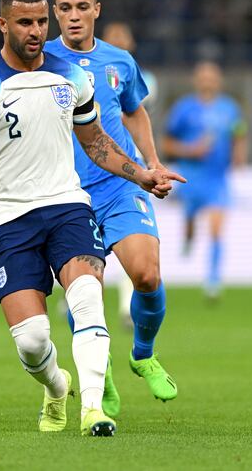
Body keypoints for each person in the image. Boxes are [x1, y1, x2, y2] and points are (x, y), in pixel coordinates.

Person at [0, 0, 182, 436]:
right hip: (9, 218)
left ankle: (95, 409)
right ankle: (56, 387)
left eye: (40, 22)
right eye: (25, 22)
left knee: (89, 296)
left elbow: (96, 144)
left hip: (68, 205)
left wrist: (143, 173)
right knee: (32, 342)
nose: (36, 31)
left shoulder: (73, 76)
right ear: (2, 24)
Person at [45, 0, 180, 416]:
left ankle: (142, 355)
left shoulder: (119, 61)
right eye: (64, 8)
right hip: (65, 194)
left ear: (97, 10)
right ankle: (97, 375)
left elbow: (134, 111)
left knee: (147, 275)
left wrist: (153, 162)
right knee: (85, 293)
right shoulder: (38, 61)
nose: (73, 16)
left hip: (120, 185)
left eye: (82, 7)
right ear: (53, 13)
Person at [162, 61, 248, 301]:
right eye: (203, 76)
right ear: (196, 80)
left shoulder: (229, 108)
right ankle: (188, 239)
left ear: (218, 80)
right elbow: (167, 143)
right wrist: (191, 150)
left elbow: (239, 131)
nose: (208, 80)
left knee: (217, 229)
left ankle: (213, 281)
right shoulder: (184, 109)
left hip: (217, 179)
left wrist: (239, 153)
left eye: (212, 76)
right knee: (190, 224)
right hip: (191, 177)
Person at [101, 20, 159, 330]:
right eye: (113, 36)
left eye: (124, 35)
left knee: (134, 249)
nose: (118, 40)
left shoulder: (140, 76)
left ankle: (126, 307)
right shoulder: (83, 70)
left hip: (127, 169)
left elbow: (132, 113)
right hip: (83, 171)